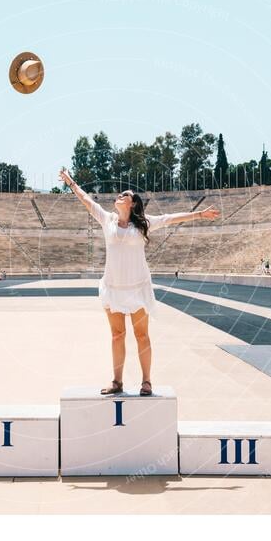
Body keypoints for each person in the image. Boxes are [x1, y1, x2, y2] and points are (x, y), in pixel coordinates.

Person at [59, 168, 220, 396]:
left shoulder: (143, 223)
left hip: (138, 289)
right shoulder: (108, 220)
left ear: (133, 203)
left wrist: (199, 215)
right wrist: (70, 182)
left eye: (125, 194)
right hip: (113, 288)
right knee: (117, 335)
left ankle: (146, 381)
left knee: (142, 335)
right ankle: (117, 381)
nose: (120, 196)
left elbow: (170, 219)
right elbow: (86, 200)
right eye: (120, 194)